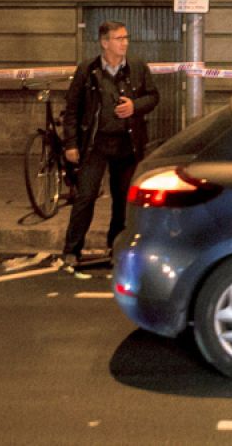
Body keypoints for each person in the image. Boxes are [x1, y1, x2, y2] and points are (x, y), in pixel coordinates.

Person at [59, 21, 159, 274]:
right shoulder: (88, 70)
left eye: (126, 37)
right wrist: (70, 144)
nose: (124, 42)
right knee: (86, 196)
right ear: (105, 42)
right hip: (96, 144)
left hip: (127, 144)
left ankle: (115, 247)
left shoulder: (137, 67)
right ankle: (72, 250)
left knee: (122, 199)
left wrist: (135, 106)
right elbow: (72, 109)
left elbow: (153, 96)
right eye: (118, 38)